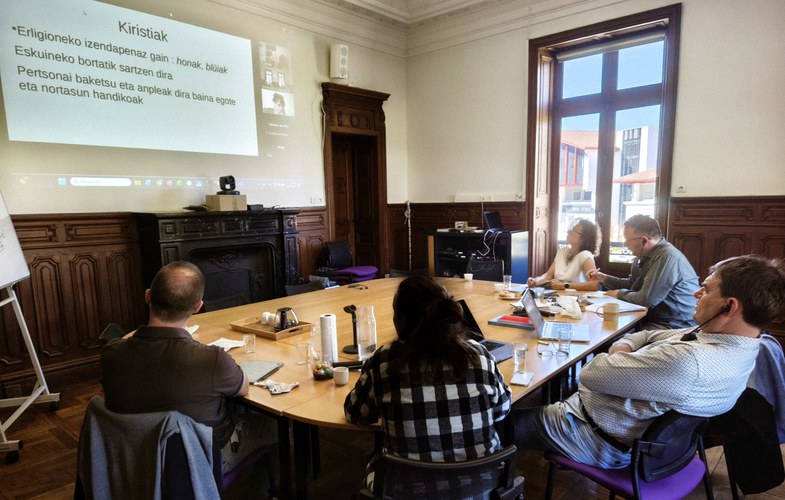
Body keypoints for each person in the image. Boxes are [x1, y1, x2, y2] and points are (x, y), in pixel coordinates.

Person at [514, 254, 785, 469]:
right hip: (639, 440)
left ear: (730, 306)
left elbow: (589, 374)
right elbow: (649, 333)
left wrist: (617, 353)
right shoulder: (742, 345)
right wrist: (626, 348)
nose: (696, 294)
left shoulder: (689, 362)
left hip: (590, 435)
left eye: (706, 289)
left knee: (498, 421)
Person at [100, 261, 277, 493]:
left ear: (148, 296)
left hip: (131, 457)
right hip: (199, 461)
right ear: (198, 307)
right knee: (274, 427)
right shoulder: (212, 359)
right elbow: (243, 388)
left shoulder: (111, 354)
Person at [344, 276, 511, 477]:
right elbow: (502, 409)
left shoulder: (384, 362)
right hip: (483, 488)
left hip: (404, 490)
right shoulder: (479, 356)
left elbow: (356, 414)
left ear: (401, 320)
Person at [588, 214, 699, 329]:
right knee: (610, 331)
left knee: (617, 337)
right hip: (650, 317)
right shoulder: (642, 256)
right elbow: (633, 285)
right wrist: (604, 278)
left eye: (627, 240)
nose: (624, 244)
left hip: (675, 325)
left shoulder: (667, 257)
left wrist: (618, 294)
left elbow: (646, 299)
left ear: (644, 240)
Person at [527, 219, 600, 291]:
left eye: (574, 231)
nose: (568, 231)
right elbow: (548, 275)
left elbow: (594, 284)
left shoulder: (585, 255)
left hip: (578, 300)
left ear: (584, 238)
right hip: (559, 297)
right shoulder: (561, 252)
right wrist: (536, 281)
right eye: (571, 229)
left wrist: (563, 286)